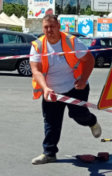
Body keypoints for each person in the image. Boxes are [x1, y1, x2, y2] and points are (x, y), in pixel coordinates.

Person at [29, 14, 101, 164]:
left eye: (52, 26)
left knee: (78, 114)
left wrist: (83, 79)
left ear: (59, 27)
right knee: (51, 121)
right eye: (46, 27)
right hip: (51, 90)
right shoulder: (38, 45)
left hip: (75, 86)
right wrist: (45, 88)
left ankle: (92, 122)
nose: (49, 30)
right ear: (42, 28)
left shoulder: (72, 42)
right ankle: (49, 153)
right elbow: (36, 70)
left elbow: (89, 60)